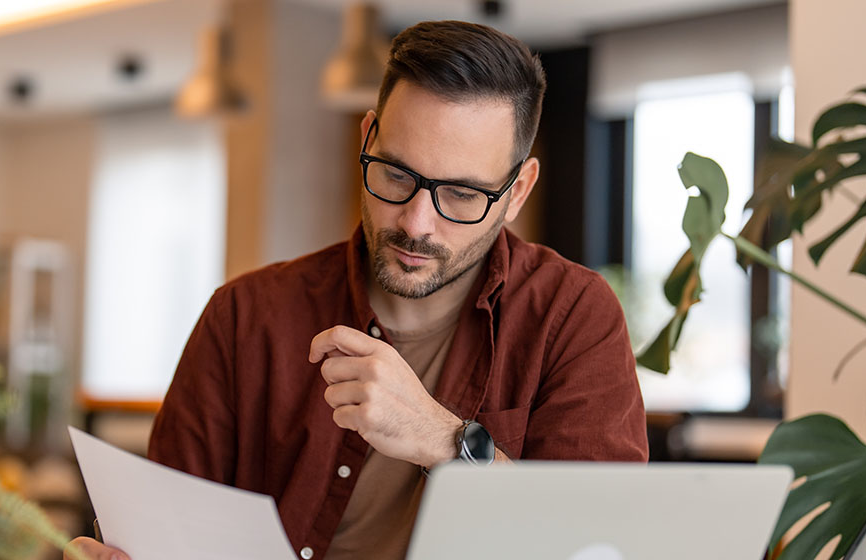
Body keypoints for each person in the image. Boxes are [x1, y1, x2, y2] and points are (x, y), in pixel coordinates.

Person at [67, 19, 647, 560]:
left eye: (463, 195)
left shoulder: (572, 316)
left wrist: (444, 441)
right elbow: (171, 531)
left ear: (517, 191)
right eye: (397, 174)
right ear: (368, 136)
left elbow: (598, 544)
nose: (418, 223)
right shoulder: (245, 316)